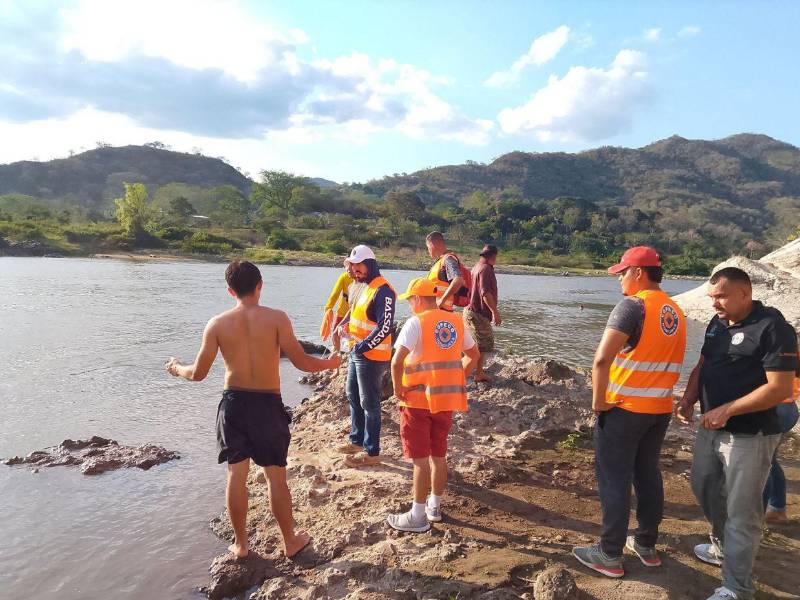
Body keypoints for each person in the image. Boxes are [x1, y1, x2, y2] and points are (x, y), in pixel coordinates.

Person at [165, 260, 340, 559]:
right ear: (260, 285)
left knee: (236, 475)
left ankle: (241, 545)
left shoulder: (217, 324)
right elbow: (301, 362)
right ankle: (290, 541)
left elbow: (198, 373)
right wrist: (331, 363)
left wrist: (176, 367)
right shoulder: (277, 319)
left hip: (233, 404)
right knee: (275, 477)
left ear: (230, 291)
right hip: (267, 405)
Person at [675, 267, 798, 600]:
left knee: (742, 512)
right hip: (710, 427)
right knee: (704, 487)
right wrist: (688, 398)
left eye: (722, 296)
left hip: (750, 435)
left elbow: (779, 388)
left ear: (745, 293)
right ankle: (723, 546)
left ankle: (737, 587)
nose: (715, 303)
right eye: (712, 296)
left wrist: (727, 409)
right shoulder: (717, 324)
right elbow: (703, 364)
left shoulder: (773, 328)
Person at [573, 246, 687, 578]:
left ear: (638, 272)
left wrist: (598, 401)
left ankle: (609, 553)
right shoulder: (675, 310)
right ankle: (646, 544)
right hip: (659, 409)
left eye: (622, 272)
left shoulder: (633, 306)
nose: (619, 279)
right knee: (647, 474)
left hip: (625, 409)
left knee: (614, 478)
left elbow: (601, 359)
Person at [387, 278, 479, 532]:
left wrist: (398, 389)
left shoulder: (415, 323)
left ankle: (417, 516)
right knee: (438, 455)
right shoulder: (456, 321)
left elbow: (396, 362)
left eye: (410, 301)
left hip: (417, 403)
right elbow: (473, 355)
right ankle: (434, 506)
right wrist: (455, 378)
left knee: (420, 460)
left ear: (418, 299)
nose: (409, 306)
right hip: (444, 401)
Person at [336, 244, 396, 468]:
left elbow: (385, 326)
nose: (355, 270)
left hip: (372, 356)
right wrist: (345, 327)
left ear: (369, 264)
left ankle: (372, 452)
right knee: (352, 394)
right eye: (353, 266)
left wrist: (362, 346)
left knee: (370, 403)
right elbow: (358, 315)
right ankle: (357, 440)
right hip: (357, 351)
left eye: (359, 265)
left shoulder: (383, 290)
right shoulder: (363, 286)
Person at [463, 244, 501, 383]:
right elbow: (485, 293)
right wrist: (495, 312)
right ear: (493, 256)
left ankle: (478, 372)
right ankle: (464, 376)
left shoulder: (476, 267)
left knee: (479, 345)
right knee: (482, 344)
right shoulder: (486, 269)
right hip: (477, 313)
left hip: (470, 311)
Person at [425, 231, 468, 311]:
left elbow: (458, 280)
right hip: (437, 310)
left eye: (428, 248)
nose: (428, 251)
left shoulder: (448, 259)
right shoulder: (440, 262)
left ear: (432, 245)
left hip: (442, 310)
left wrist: (442, 301)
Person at [320, 267, 353, 350]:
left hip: (344, 312)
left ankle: (336, 352)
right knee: (353, 336)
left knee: (335, 333)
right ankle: (349, 352)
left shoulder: (344, 276)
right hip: (355, 313)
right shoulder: (364, 277)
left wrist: (328, 307)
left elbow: (335, 294)